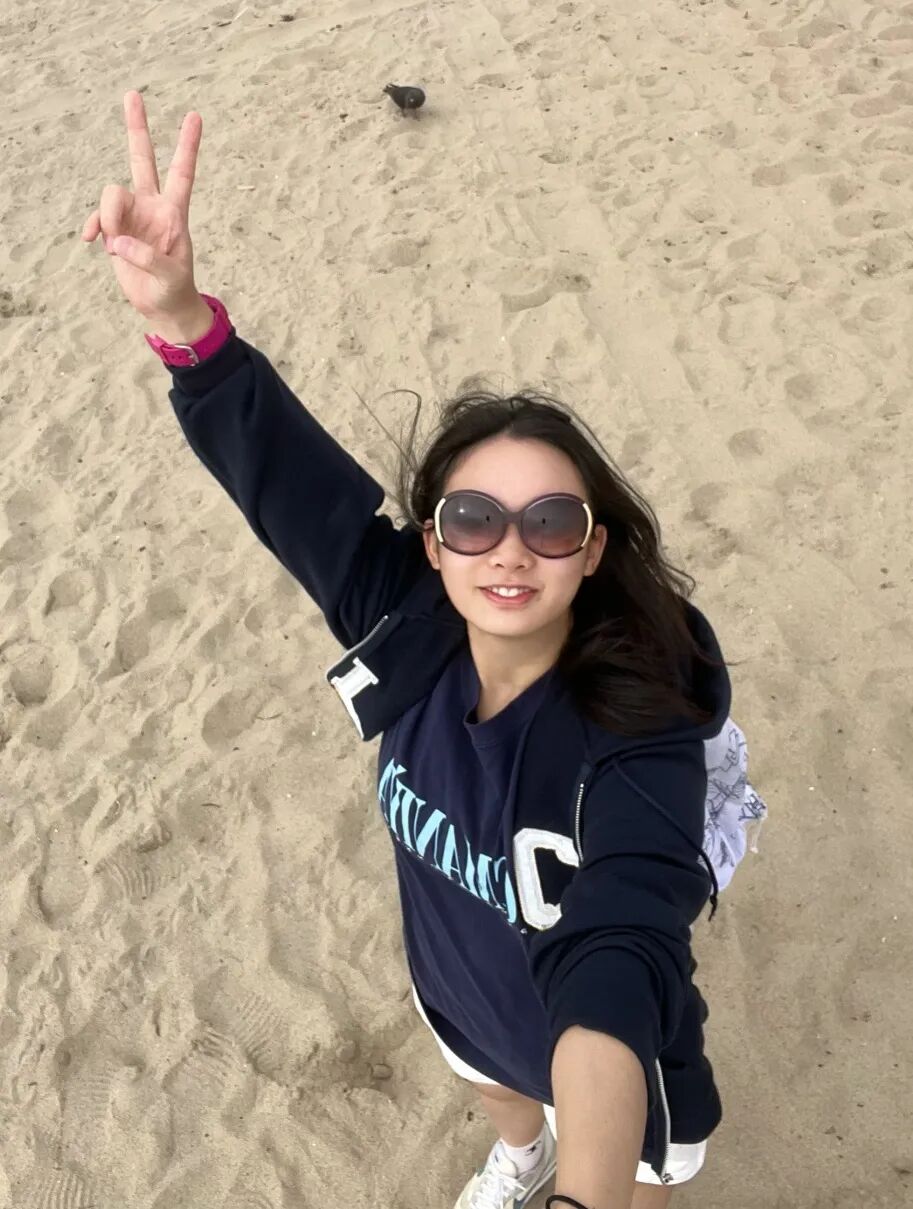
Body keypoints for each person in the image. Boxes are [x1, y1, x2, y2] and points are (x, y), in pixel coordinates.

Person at [83, 92, 767, 1209]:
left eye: (552, 522)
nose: (512, 550)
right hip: (457, 989)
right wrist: (183, 322)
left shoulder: (639, 732)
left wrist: (586, 1192)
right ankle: (518, 1152)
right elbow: (288, 483)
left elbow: (620, 950)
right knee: (493, 1086)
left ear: (593, 550)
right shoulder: (406, 622)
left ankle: (559, 1169)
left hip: (613, 1080)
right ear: (435, 545)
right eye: (473, 520)